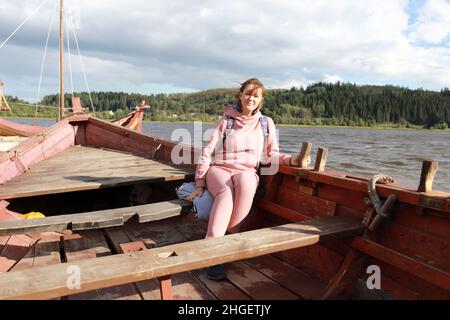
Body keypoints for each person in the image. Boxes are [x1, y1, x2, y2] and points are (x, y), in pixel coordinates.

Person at [187, 78, 303, 280]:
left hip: (247, 171)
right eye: (248, 93)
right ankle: (213, 255)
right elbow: (207, 151)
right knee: (225, 194)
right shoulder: (226, 120)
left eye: (256, 95)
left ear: (261, 101)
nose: (251, 98)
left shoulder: (266, 124)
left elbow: (271, 155)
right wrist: (200, 183)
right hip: (220, 169)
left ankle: (224, 236)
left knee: (248, 184)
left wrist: (293, 159)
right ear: (240, 96)